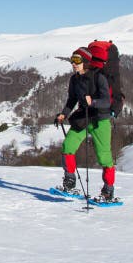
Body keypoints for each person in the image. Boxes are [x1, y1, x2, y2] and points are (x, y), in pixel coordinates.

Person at [55, 47, 116, 201]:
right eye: (72, 60)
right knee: (68, 146)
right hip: (83, 117)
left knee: (104, 157)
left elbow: (106, 102)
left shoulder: (99, 77)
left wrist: (93, 102)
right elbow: (71, 100)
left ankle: (108, 190)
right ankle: (69, 182)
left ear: (86, 61)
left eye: (77, 60)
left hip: (100, 119)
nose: (73, 63)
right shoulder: (74, 79)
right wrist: (64, 114)